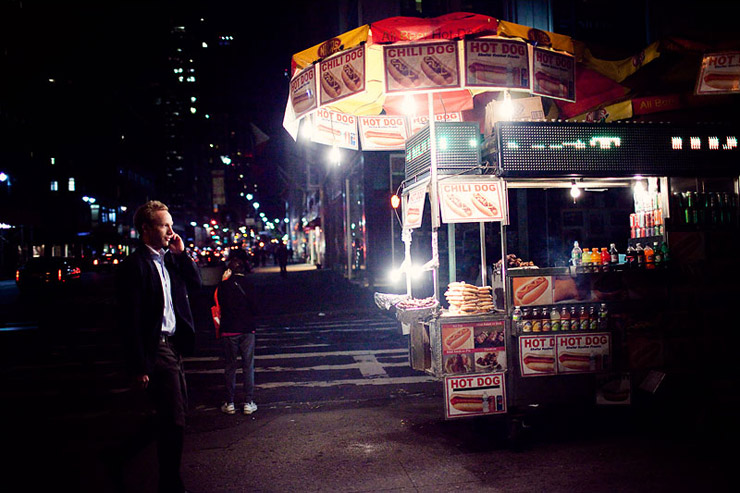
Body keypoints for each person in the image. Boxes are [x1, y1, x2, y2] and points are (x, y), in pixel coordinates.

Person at [116, 200, 201, 493]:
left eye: (171, 224)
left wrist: (182, 254)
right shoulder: (134, 266)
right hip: (157, 349)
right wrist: (139, 365)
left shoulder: (169, 261)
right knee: (175, 418)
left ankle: (120, 455)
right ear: (145, 229)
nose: (170, 230)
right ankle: (170, 484)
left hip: (173, 346)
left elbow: (196, 284)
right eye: (164, 225)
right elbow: (130, 320)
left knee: (172, 415)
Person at [217, 257, 258, 415]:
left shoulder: (224, 285)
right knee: (248, 366)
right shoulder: (249, 284)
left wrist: (223, 281)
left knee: (230, 366)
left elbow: (218, 303)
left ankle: (230, 403)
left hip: (229, 329)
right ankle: (248, 402)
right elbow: (255, 308)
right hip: (247, 329)